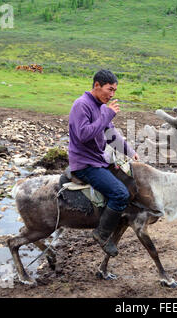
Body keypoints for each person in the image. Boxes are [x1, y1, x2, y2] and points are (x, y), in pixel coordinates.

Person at [68, 69, 139, 257]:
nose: (112, 94)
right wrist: (107, 115)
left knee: (129, 182)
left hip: (98, 160)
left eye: (115, 90)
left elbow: (111, 135)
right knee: (120, 193)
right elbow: (84, 135)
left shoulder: (100, 106)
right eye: (110, 89)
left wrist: (130, 152)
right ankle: (102, 234)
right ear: (97, 85)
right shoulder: (81, 105)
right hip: (85, 164)